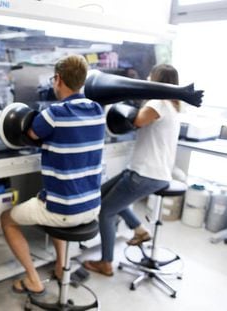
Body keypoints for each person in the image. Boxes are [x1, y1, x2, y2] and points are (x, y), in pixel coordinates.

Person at [0, 54, 105, 295]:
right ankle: (60, 267)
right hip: (91, 207)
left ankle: (33, 279)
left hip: (63, 211)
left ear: (57, 79)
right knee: (48, 199)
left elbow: (32, 133)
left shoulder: (54, 113)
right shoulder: (98, 110)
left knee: (7, 219)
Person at [83, 64, 181, 276]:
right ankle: (140, 230)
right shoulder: (173, 105)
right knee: (102, 195)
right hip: (152, 172)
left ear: (156, 80)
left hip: (145, 174)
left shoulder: (159, 103)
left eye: (149, 77)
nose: (146, 78)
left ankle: (106, 262)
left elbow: (136, 120)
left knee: (106, 212)